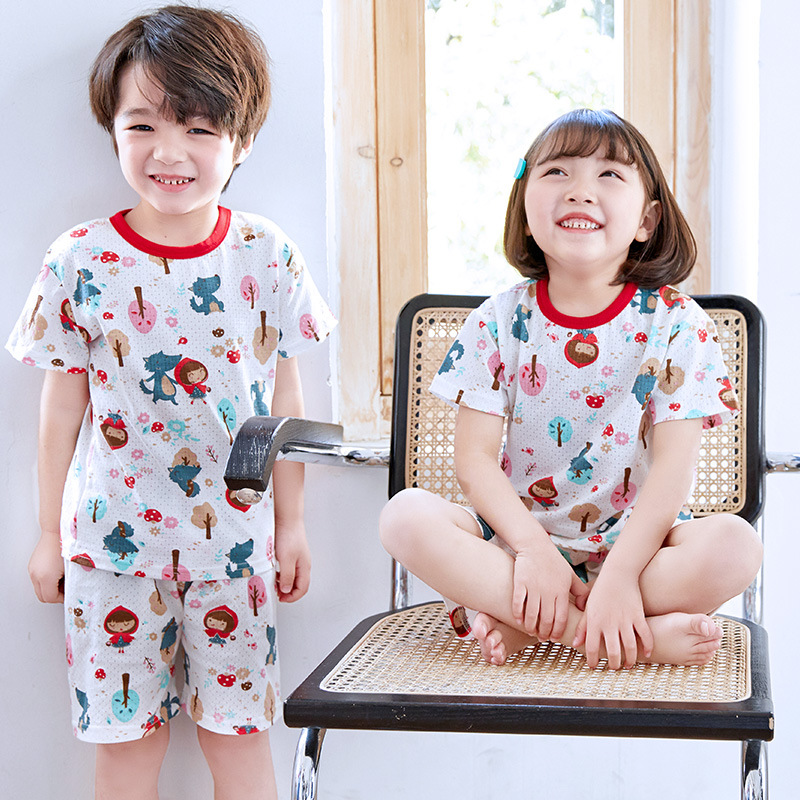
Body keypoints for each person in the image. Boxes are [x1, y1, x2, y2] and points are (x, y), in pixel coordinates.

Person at [6, 6, 335, 799]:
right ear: (113, 132)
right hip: (110, 553)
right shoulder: (79, 259)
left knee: (239, 740)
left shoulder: (266, 254)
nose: (168, 152)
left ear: (240, 141)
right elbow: (60, 409)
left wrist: (292, 523)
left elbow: (283, 398)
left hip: (236, 550)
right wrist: (48, 534)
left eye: (198, 128)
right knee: (124, 749)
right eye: (143, 126)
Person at [380, 108, 762, 673]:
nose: (580, 191)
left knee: (736, 545)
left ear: (647, 220)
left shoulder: (679, 323)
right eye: (557, 171)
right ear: (525, 208)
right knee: (404, 517)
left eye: (609, 175)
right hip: (516, 547)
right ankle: (606, 635)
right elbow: (473, 460)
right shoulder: (497, 320)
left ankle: (537, 621)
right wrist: (534, 551)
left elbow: (673, 471)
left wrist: (622, 575)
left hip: (637, 550)